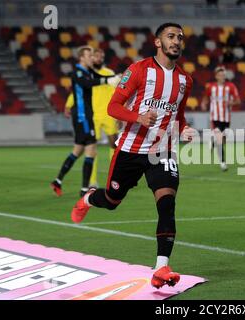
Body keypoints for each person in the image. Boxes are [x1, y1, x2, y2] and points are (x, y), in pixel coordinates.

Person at [70, 23, 196, 289]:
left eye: (180, 38)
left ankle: (161, 267)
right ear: (158, 42)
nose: (176, 41)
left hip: (161, 151)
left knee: (167, 203)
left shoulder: (185, 80)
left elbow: (178, 116)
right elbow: (113, 106)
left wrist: (184, 129)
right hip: (129, 149)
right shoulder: (138, 70)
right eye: (171, 37)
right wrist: (138, 117)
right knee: (112, 200)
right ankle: (89, 198)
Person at [50, 46, 120, 197]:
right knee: (91, 150)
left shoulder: (89, 72)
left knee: (78, 151)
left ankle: (58, 181)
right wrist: (108, 81)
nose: (92, 58)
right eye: (90, 55)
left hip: (92, 115)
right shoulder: (78, 72)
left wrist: (113, 79)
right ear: (82, 57)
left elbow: (97, 78)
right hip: (84, 117)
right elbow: (88, 84)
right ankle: (85, 189)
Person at [201, 66, 241, 171]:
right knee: (219, 138)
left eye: (223, 75)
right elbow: (205, 97)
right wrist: (204, 103)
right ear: (216, 76)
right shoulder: (211, 87)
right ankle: (223, 163)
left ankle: (212, 141)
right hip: (215, 116)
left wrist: (231, 102)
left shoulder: (231, 86)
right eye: (220, 75)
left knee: (223, 140)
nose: (222, 77)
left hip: (226, 117)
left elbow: (238, 101)